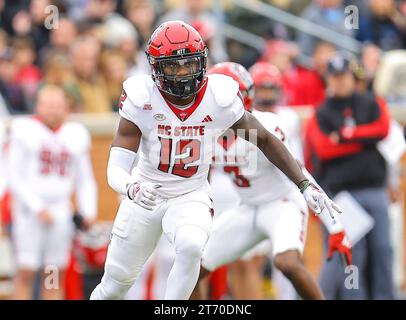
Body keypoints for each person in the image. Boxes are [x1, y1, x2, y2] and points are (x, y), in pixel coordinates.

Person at [90, 20, 341, 300]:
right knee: (115, 285)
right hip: (146, 191)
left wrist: (305, 185)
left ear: (203, 62)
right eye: (174, 66)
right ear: (156, 69)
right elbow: (116, 166)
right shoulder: (142, 99)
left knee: (191, 246)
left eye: (189, 64)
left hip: (190, 194)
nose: (183, 73)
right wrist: (130, 187)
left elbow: (266, 139)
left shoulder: (218, 101)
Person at [193, 62, 351, 300]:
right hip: (247, 208)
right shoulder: (204, 131)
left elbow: (298, 169)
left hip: (282, 203)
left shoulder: (265, 125)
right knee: (189, 268)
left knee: (286, 263)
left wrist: (336, 226)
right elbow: (201, 176)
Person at [304, 53, 393, 299]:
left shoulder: (370, 102)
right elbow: (323, 148)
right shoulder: (321, 112)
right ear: (329, 80)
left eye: (344, 76)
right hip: (342, 193)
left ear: (352, 77)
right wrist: (364, 139)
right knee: (353, 255)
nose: (340, 81)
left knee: (383, 249)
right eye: (335, 77)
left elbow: (383, 129)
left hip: (374, 188)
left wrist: (344, 135)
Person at [9, 85, 98, 300]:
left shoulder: (75, 134)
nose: (53, 110)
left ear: (66, 107)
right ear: (38, 106)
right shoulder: (25, 130)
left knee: (53, 273)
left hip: (60, 210)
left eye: (57, 105)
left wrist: (88, 210)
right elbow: (14, 175)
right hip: (29, 212)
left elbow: (85, 178)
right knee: (26, 270)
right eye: (48, 105)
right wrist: (37, 207)